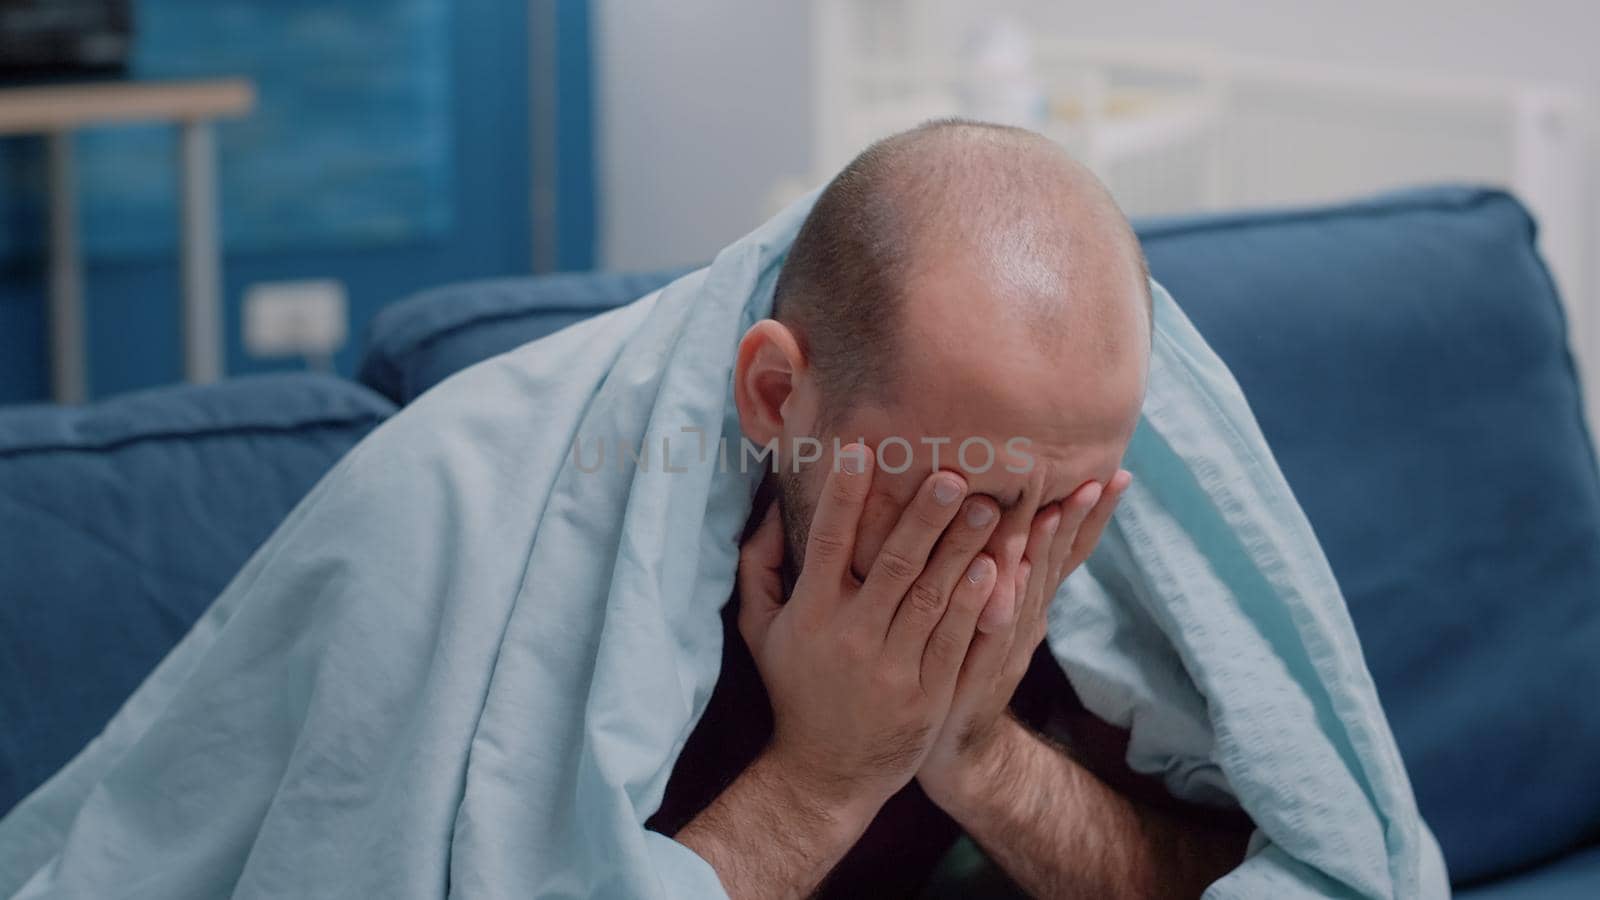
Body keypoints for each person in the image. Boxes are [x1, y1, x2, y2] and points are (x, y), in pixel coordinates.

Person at [651, 120, 1253, 897]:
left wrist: (977, 753)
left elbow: (1257, 877)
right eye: (956, 507)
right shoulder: (619, 583)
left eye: (1063, 510)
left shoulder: (1081, 553)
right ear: (776, 396)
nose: (1002, 599)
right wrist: (822, 777)